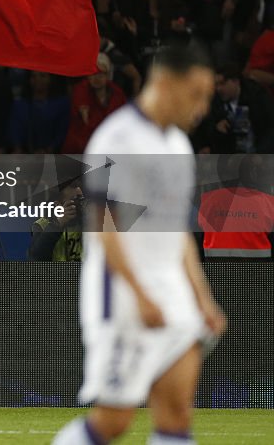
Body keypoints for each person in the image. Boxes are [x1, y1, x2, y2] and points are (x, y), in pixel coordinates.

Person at [52, 43, 227, 445]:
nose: (201, 107)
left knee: (177, 416)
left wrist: (201, 296)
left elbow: (176, 229)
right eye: (196, 94)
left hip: (172, 293)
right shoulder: (118, 138)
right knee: (113, 422)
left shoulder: (178, 146)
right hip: (123, 297)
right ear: (165, 82)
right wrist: (141, 294)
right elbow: (105, 229)